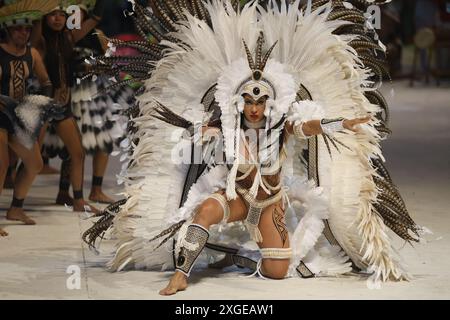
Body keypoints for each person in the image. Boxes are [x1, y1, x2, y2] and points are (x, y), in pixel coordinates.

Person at [84, 0, 424, 295]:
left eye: (260, 103)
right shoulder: (228, 126)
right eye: (248, 101)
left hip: (270, 206)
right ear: (240, 102)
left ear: (271, 103)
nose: (254, 108)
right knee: (203, 212)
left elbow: (309, 125)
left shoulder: (281, 128)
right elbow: (197, 131)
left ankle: (235, 254)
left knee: (277, 272)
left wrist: (340, 124)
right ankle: (180, 275)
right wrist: (196, 129)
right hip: (236, 200)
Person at [43, 3, 134, 204]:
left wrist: (100, 65)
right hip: (72, 93)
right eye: (73, 14)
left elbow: (112, 62)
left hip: (96, 92)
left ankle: (96, 189)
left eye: (80, 14)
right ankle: (64, 190)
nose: (76, 17)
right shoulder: (63, 36)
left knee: (104, 139)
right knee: (72, 143)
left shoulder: (96, 33)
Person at [31, 1, 106, 213]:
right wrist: (39, 12)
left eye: (61, 15)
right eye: (52, 15)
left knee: (77, 153)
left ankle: (79, 200)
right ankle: (15, 203)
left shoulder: (68, 37)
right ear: (45, 18)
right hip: (42, 105)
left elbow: (94, 21)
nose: (57, 18)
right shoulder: (41, 41)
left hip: (62, 106)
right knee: (32, 160)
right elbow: (36, 32)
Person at [0, 0, 58, 236]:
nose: (23, 33)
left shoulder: (32, 54)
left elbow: (46, 82)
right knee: (1, 164)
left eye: (26, 29)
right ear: (8, 30)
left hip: (18, 115)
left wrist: (40, 104)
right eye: (18, 29)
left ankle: (16, 208)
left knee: (35, 163)